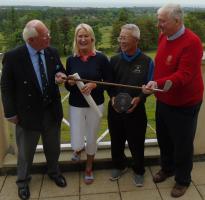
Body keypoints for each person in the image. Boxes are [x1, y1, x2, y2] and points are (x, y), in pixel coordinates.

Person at [1, 19, 67, 200]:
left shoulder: (51, 52)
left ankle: (54, 172)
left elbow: (59, 71)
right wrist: (10, 112)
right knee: (25, 152)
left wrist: (61, 75)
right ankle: (22, 181)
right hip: (27, 114)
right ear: (31, 40)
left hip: (51, 111)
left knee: (53, 148)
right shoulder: (13, 56)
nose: (49, 38)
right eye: (45, 35)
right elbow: (6, 87)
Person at [143, 4, 204, 198]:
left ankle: (183, 180)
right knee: (164, 139)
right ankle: (167, 168)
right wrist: (156, 85)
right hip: (164, 98)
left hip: (185, 103)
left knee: (182, 144)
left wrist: (156, 83)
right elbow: (161, 66)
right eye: (158, 19)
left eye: (162, 21)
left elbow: (184, 75)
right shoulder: (164, 36)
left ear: (177, 21)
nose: (158, 25)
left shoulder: (192, 42)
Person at [65, 23, 111, 184]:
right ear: (76, 39)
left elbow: (109, 82)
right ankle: (79, 148)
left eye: (86, 36)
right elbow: (67, 85)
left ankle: (89, 167)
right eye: (80, 36)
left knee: (91, 137)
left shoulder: (101, 58)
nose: (83, 39)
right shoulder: (71, 59)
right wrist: (69, 83)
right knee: (77, 139)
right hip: (76, 105)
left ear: (92, 38)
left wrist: (95, 84)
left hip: (95, 104)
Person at [108, 24, 154, 187]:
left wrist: (140, 98)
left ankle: (139, 170)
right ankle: (119, 165)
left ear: (136, 40)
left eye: (124, 38)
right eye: (120, 37)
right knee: (116, 140)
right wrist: (112, 97)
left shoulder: (147, 62)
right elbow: (109, 84)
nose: (121, 41)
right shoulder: (113, 60)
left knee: (136, 142)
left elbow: (150, 87)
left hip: (136, 109)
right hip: (114, 109)